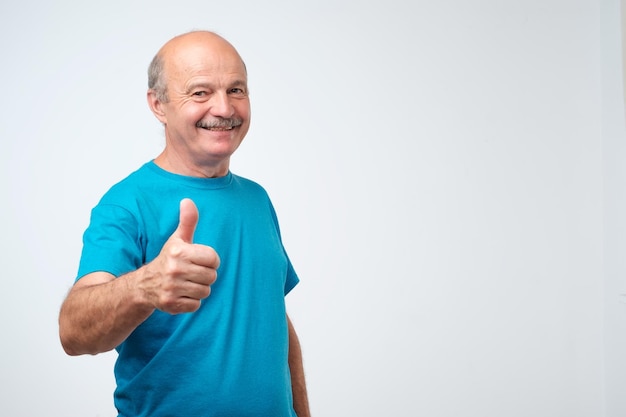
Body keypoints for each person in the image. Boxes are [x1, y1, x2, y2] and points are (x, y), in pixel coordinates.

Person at [58, 30, 310, 417]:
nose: (224, 108)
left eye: (236, 90)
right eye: (200, 92)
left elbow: (274, 318)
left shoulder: (257, 199)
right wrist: (146, 285)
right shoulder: (127, 203)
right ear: (158, 104)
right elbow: (73, 332)